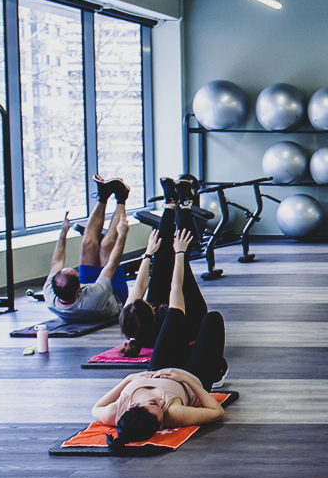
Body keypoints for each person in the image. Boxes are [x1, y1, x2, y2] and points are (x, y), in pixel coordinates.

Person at [91, 228, 227, 451]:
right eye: (160, 411)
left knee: (174, 315)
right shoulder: (174, 413)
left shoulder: (115, 412)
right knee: (211, 319)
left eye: (154, 404)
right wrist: (189, 381)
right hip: (192, 376)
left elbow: (96, 408)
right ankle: (218, 369)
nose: (161, 403)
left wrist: (129, 379)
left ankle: (171, 213)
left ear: (131, 407)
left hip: (158, 367)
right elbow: (216, 412)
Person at [119, 178, 208, 356]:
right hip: (191, 314)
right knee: (178, 253)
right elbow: (177, 285)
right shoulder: (170, 320)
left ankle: (170, 204)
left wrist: (149, 253)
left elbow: (140, 285)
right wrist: (180, 253)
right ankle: (185, 204)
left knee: (160, 256)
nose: (148, 302)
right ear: (152, 313)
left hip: (163, 308)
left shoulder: (130, 316)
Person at [44, 176, 131, 323]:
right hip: (114, 296)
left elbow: (56, 262)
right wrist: (122, 234)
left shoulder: (50, 294)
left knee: (87, 243)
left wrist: (63, 233)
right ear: (79, 288)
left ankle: (103, 196)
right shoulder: (94, 298)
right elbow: (111, 263)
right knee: (106, 246)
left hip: (89, 290)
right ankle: (122, 196)